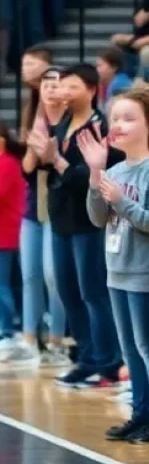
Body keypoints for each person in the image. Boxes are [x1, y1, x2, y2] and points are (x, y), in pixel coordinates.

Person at [83, 89, 149, 443]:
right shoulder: (117, 169)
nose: (118, 124)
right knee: (129, 346)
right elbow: (96, 219)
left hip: (144, 271)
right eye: (115, 118)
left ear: (148, 124)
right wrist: (96, 175)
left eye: (128, 118)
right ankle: (140, 413)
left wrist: (121, 202)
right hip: (117, 269)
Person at [41, 64, 123, 388]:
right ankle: (87, 357)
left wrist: (58, 162)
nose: (63, 92)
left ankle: (107, 362)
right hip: (61, 219)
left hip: (89, 220)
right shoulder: (62, 122)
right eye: (61, 86)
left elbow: (97, 177)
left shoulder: (100, 126)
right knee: (68, 292)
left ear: (91, 89)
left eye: (71, 86)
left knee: (93, 293)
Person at [18, 67, 67, 366]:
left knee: (53, 276)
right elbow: (26, 169)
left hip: (58, 203)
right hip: (32, 202)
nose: (50, 88)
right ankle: (28, 340)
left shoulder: (70, 123)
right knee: (30, 275)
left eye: (56, 83)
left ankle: (57, 340)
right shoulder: (33, 120)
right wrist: (36, 147)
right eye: (46, 84)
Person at [0, 121, 26, 353]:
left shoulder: (7, 163)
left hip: (5, 232)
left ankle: (7, 330)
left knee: (2, 284)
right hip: (6, 232)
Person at [95, 47, 134, 113]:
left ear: (114, 67)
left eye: (100, 66)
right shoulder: (102, 85)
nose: (97, 70)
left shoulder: (121, 86)